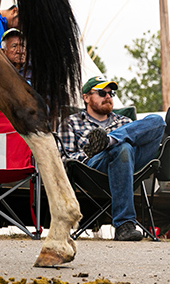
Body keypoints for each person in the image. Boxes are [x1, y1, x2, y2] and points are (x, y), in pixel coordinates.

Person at [58, 76, 166, 241]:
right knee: (122, 147)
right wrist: (92, 153)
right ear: (86, 97)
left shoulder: (125, 121)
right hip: (93, 168)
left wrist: (108, 142)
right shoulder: (71, 122)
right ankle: (124, 225)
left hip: (132, 165)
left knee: (157, 121)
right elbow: (63, 158)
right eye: (102, 92)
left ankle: (109, 140)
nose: (108, 96)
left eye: (111, 93)